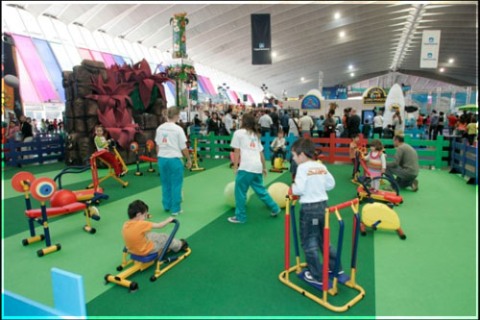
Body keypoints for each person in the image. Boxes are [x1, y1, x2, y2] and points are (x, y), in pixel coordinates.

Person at [290, 137, 342, 286]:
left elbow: (299, 189)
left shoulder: (302, 168)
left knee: (309, 242)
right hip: (322, 207)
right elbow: (331, 184)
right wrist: (317, 186)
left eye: (294, 155)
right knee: (323, 239)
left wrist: (291, 189)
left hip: (309, 210)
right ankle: (336, 268)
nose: (293, 159)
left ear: (301, 155)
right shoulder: (320, 165)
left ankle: (316, 275)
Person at [228, 112, 281, 224]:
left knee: (240, 192)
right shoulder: (255, 135)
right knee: (261, 190)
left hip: (246, 167)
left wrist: (235, 166)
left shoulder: (238, 133)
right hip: (257, 167)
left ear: (243, 121)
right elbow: (261, 152)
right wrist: (264, 167)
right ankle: (275, 208)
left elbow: (236, 151)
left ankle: (240, 217)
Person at [155, 107, 192, 216]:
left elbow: (157, 145)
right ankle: (176, 209)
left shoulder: (160, 128)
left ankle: (167, 205)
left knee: (165, 183)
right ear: (176, 116)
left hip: (162, 159)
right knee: (176, 184)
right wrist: (189, 159)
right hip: (174, 159)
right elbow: (183, 147)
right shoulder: (178, 129)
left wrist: (159, 157)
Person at [122, 200, 188, 257]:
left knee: (152, 234)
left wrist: (144, 216)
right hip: (145, 251)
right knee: (164, 237)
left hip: (132, 250)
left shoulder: (126, 224)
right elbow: (159, 225)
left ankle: (161, 249)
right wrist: (168, 220)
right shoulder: (142, 224)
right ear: (138, 215)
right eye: (144, 215)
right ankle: (179, 245)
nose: (145, 218)